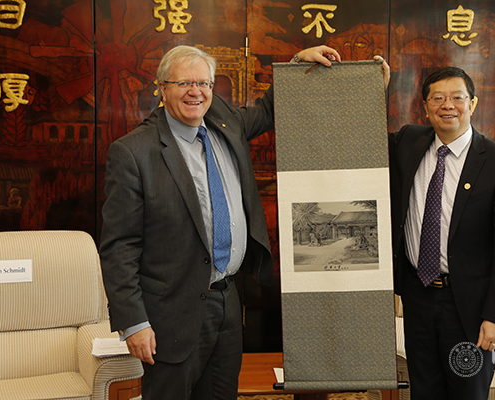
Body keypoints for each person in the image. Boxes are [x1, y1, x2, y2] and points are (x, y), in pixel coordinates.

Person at [99, 44, 341, 399]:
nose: (195, 92)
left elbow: (269, 109)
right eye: (184, 83)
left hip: (227, 301)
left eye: (204, 83)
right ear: (162, 88)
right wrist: (134, 322)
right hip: (172, 312)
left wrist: (296, 63)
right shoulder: (134, 152)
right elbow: (119, 246)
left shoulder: (226, 124)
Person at [389, 66, 495, 399]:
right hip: (418, 297)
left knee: (468, 392)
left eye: (457, 97)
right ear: (425, 106)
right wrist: (375, 87)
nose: (447, 105)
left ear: (472, 103)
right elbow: (363, 137)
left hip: (469, 308)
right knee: (424, 390)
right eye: (438, 98)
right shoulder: (409, 142)